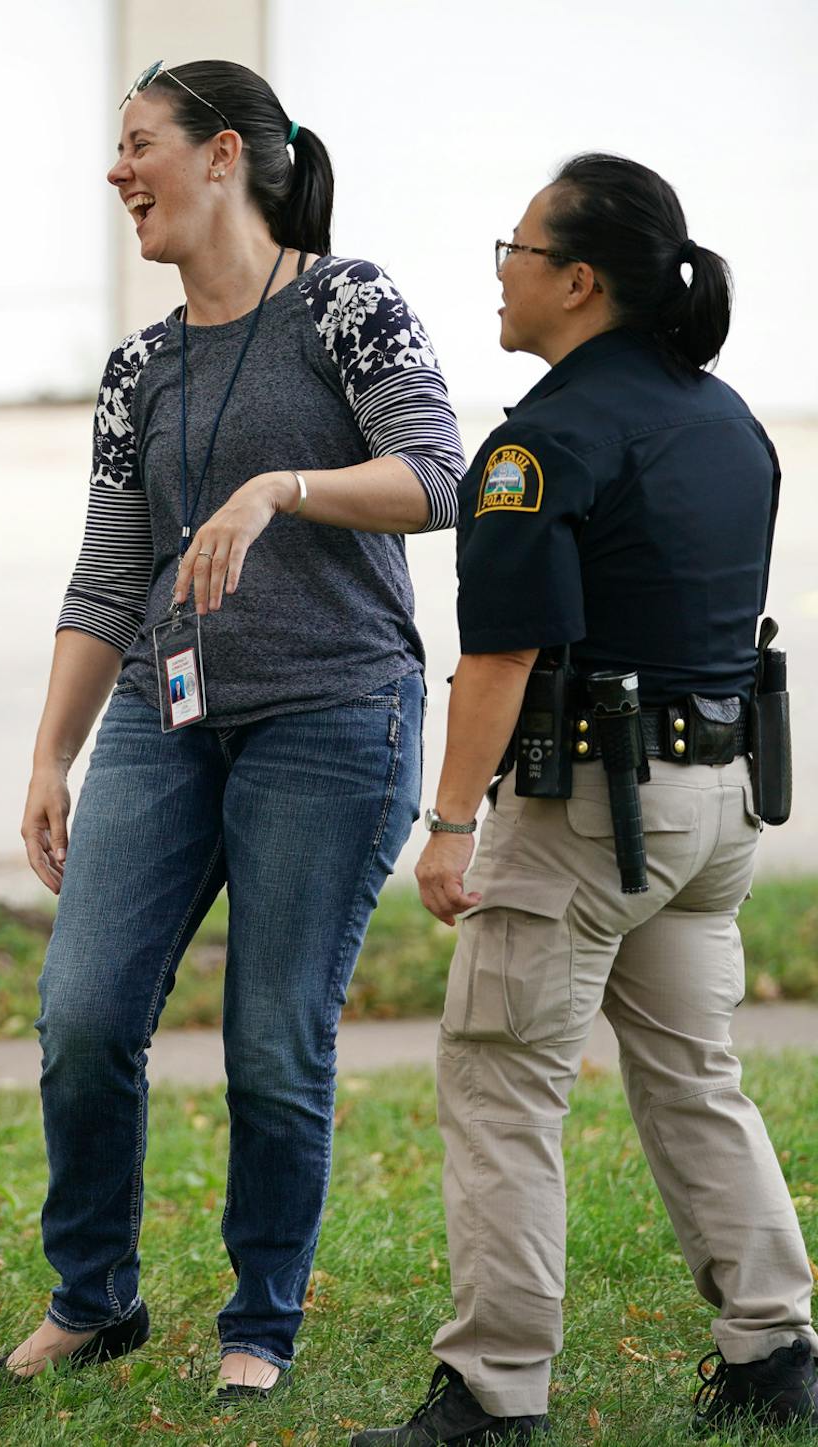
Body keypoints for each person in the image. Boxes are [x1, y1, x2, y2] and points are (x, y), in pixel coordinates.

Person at [2, 59, 465, 1396]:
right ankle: (95, 1296)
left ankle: (259, 1319)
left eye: (139, 143)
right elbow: (109, 569)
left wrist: (282, 485)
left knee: (272, 1036)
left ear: (223, 157)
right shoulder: (138, 365)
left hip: (334, 712)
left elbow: (434, 473)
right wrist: (52, 747)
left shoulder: (349, 303)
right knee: (84, 1012)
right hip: (166, 714)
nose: (117, 171)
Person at [359, 155, 817, 1445]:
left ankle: (495, 1390)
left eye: (515, 246)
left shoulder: (540, 441)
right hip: (715, 808)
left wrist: (450, 827)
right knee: (694, 1077)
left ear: (576, 280)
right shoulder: (729, 420)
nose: (498, 269)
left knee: (502, 1078)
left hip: (587, 819)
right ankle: (774, 1348)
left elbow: (502, 655)